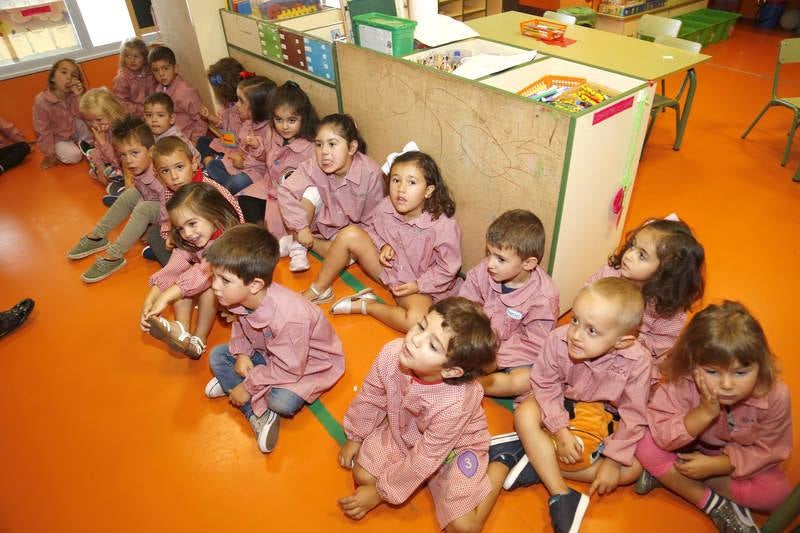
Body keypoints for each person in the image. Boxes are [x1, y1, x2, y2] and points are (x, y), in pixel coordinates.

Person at [338, 297, 506, 532]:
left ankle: (503, 462)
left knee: (464, 527)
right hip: (407, 433)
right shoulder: (392, 353)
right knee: (363, 475)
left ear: (450, 370)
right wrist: (355, 436)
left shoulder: (455, 402)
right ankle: (419, 481)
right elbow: (371, 396)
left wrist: (379, 493)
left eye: (433, 345)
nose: (415, 339)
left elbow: (426, 457)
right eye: (422, 325)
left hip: (455, 449)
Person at [505, 278, 651, 533]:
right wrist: (560, 431)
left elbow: (634, 415)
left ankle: (537, 462)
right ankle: (560, 493)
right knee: (525, 415)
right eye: (575, 320)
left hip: (604, 418)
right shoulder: (557, 340)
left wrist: (613, 462)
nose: (575, 334)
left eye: (591, 330)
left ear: (622, 341)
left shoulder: (638, 361)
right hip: (562, 403)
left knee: (631, 471)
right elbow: (545, 384)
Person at [635, 301, 792, 533]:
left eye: (741, 372)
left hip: (731, 460)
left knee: (780, 496)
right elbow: (663, 435)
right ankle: (714, 505)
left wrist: (716, 466)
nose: (727, 385)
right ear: (692, 363)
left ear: (760, 365)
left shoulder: (775, 394)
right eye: (712, 372)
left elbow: (769, 449)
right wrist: (703, 413)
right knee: (644, 444)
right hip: (683, 448)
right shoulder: (682, 380)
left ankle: (672, 478)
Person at [203, 224, 345, 453]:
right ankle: (254, 406)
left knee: (281, 402)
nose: (214, 286)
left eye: (224, 281)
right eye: (214, 276)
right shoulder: (242, 299)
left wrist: (248, 387)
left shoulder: (289, 318)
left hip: (306, 364)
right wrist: (241, 353)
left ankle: (246, 398)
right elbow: (241, 326)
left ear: (255, 284)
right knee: (218, 356)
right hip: (271, 353)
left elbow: (290, 369)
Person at [307, 149, 462, 333]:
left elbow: (448, 268)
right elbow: (371, 230)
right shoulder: (386, 206)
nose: (401, 189)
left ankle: (367, 305)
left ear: (428, 191)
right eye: (396, 180)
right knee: (350, 233)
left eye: (411, 182)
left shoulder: (443, 226)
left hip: (414, 286)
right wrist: (383, 245)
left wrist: (418, 285)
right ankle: (320, 289)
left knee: (417, 322)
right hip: (388, 270)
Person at [459, 209, 559, 398]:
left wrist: (496, 359)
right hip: (480, 341)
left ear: (528, 264)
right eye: (489, 253)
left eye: (500, 259)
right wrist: (473, 337)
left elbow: (533, 343)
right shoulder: (485, 270)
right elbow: (466, 303)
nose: (490, 264)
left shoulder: (544, 298)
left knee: (527, 379)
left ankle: (473, 386)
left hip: (513, 356)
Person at [140, 182, 241, 359]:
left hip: (237, 297)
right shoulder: (193, 239)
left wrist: (165, 297)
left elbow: (202, 273)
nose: (187, 233)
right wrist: (150, 300)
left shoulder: (227, 240)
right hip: (217, 291)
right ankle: (182, 330)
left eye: (192, 223)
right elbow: (174, 267)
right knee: (182, 280)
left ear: (214, 215)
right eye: (180, 228)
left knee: (208, 283)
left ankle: (198, 340)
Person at [587, 217, 705, 366]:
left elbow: (661, 348)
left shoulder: (668, 311)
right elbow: (587, 294)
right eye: (632, 246)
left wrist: (628, 337)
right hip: (593, 335)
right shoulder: (610, 273)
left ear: (664, 271)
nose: (628, 255)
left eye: (642, 255)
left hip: (628, 356)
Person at [277, 113, 384, 273]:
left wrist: (306, 236)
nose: (324, 152)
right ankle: (300, 242)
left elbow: (372, 222)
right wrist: (300, 227)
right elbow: (285, 190)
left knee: (346, 255)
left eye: (332, 144)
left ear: (352, 148)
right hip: (320, 221)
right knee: (310, 192)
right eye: (319, 145)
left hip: (348, 231)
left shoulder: (371, 174)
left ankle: (299, 242)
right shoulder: (314, 165)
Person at [66, 117, 163, 283]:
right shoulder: (140, 167)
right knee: (130, 194)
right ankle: (97, 236)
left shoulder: (160, 174)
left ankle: (114, 256)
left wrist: (151, 227)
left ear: (151, 151)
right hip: (155, 205)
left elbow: (173, 209)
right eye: (123, 155)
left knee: (143, 208)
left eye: (134, 153)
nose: (129, 160)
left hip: (174, 215)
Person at [146, 136, 243, 266]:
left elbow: (234, 220)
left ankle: (190, 271)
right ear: (156, 174)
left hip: (221, 246)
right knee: (153, 233)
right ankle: (186, 268)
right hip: (190, 241)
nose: (174, 177)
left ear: (193, 164)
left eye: (179, 167)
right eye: (165, 171)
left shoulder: (207, 189)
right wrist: (171, 235)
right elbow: (172, 221)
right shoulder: (169, 192)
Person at [237, 80, 318, 235]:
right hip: (268, 186)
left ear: (304, 118)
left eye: (291, 120)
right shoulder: (271, 132)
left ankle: (266, 240)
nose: (284, 126)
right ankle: (259, 237)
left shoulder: (311, 147)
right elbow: (266, 158)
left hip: (290, 199)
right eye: (279, 120)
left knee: (279, 227)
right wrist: (258, 148)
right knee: (246, 200)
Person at [204, 74, 275, 195]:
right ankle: (227, 188)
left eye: (241, 101)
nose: (236, 105)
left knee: (237, 183)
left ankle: (227, 190)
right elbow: (240, 146)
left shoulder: (269, 130)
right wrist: (238, 157)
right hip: (239, 163)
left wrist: (244, 163)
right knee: (212, 165)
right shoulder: (248, 123)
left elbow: (265, 161)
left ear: (256, 108)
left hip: (257, 171)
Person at [32, 59, 89, 169]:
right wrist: (50, 155)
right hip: (59, 139)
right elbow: (43, 131)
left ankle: (86, 145)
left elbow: (85, 117)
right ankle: (78, 147)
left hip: (75, 132)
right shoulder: (41, 101)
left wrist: (79, 96)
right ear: (52, 77)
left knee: (93, 121)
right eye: (64, 72)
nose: (69, 78)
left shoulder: (74, 95)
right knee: (74, 156)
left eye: (74, 75)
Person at [149, 45, 206, 143]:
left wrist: (194, 141)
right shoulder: (158, 89)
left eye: (165, 68)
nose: (161, 74)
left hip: (185, 142)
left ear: (175, 68)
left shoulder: (185, 92)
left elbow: (201, 120)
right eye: (156, 70)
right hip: (168, 139)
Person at [196, 57, 244, 166]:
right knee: (202, 141)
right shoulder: (226, 107)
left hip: (236, 149)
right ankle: (211, 164)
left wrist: (226, 141)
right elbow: (223, 124)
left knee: (223, 158)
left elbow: (237, 140)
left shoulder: (241, 110)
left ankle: (214, 165)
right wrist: (209, 116)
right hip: (227, 142)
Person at [78, 88, 128, 191]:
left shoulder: (123, 131)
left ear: (112, 112)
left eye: (99, 119)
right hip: (110, 162)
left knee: (112, 175)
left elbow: (118, 162)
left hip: (125, 168)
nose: (94, 125)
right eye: (89, 121)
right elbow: (98, 149)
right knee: (95, 157)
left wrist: (103, 142)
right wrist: (100, 168)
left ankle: (121, 188)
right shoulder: (102, 128)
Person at [112, 37, 156, 118]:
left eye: (136, 56)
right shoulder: (121, 79)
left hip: (151, 110)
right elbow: (121, 103)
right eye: (128, 56)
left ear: (144, 58)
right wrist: (143, 110)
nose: (132, 60)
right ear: (123, 59)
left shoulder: (149, 73)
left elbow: (154, 92)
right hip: (133, 116)